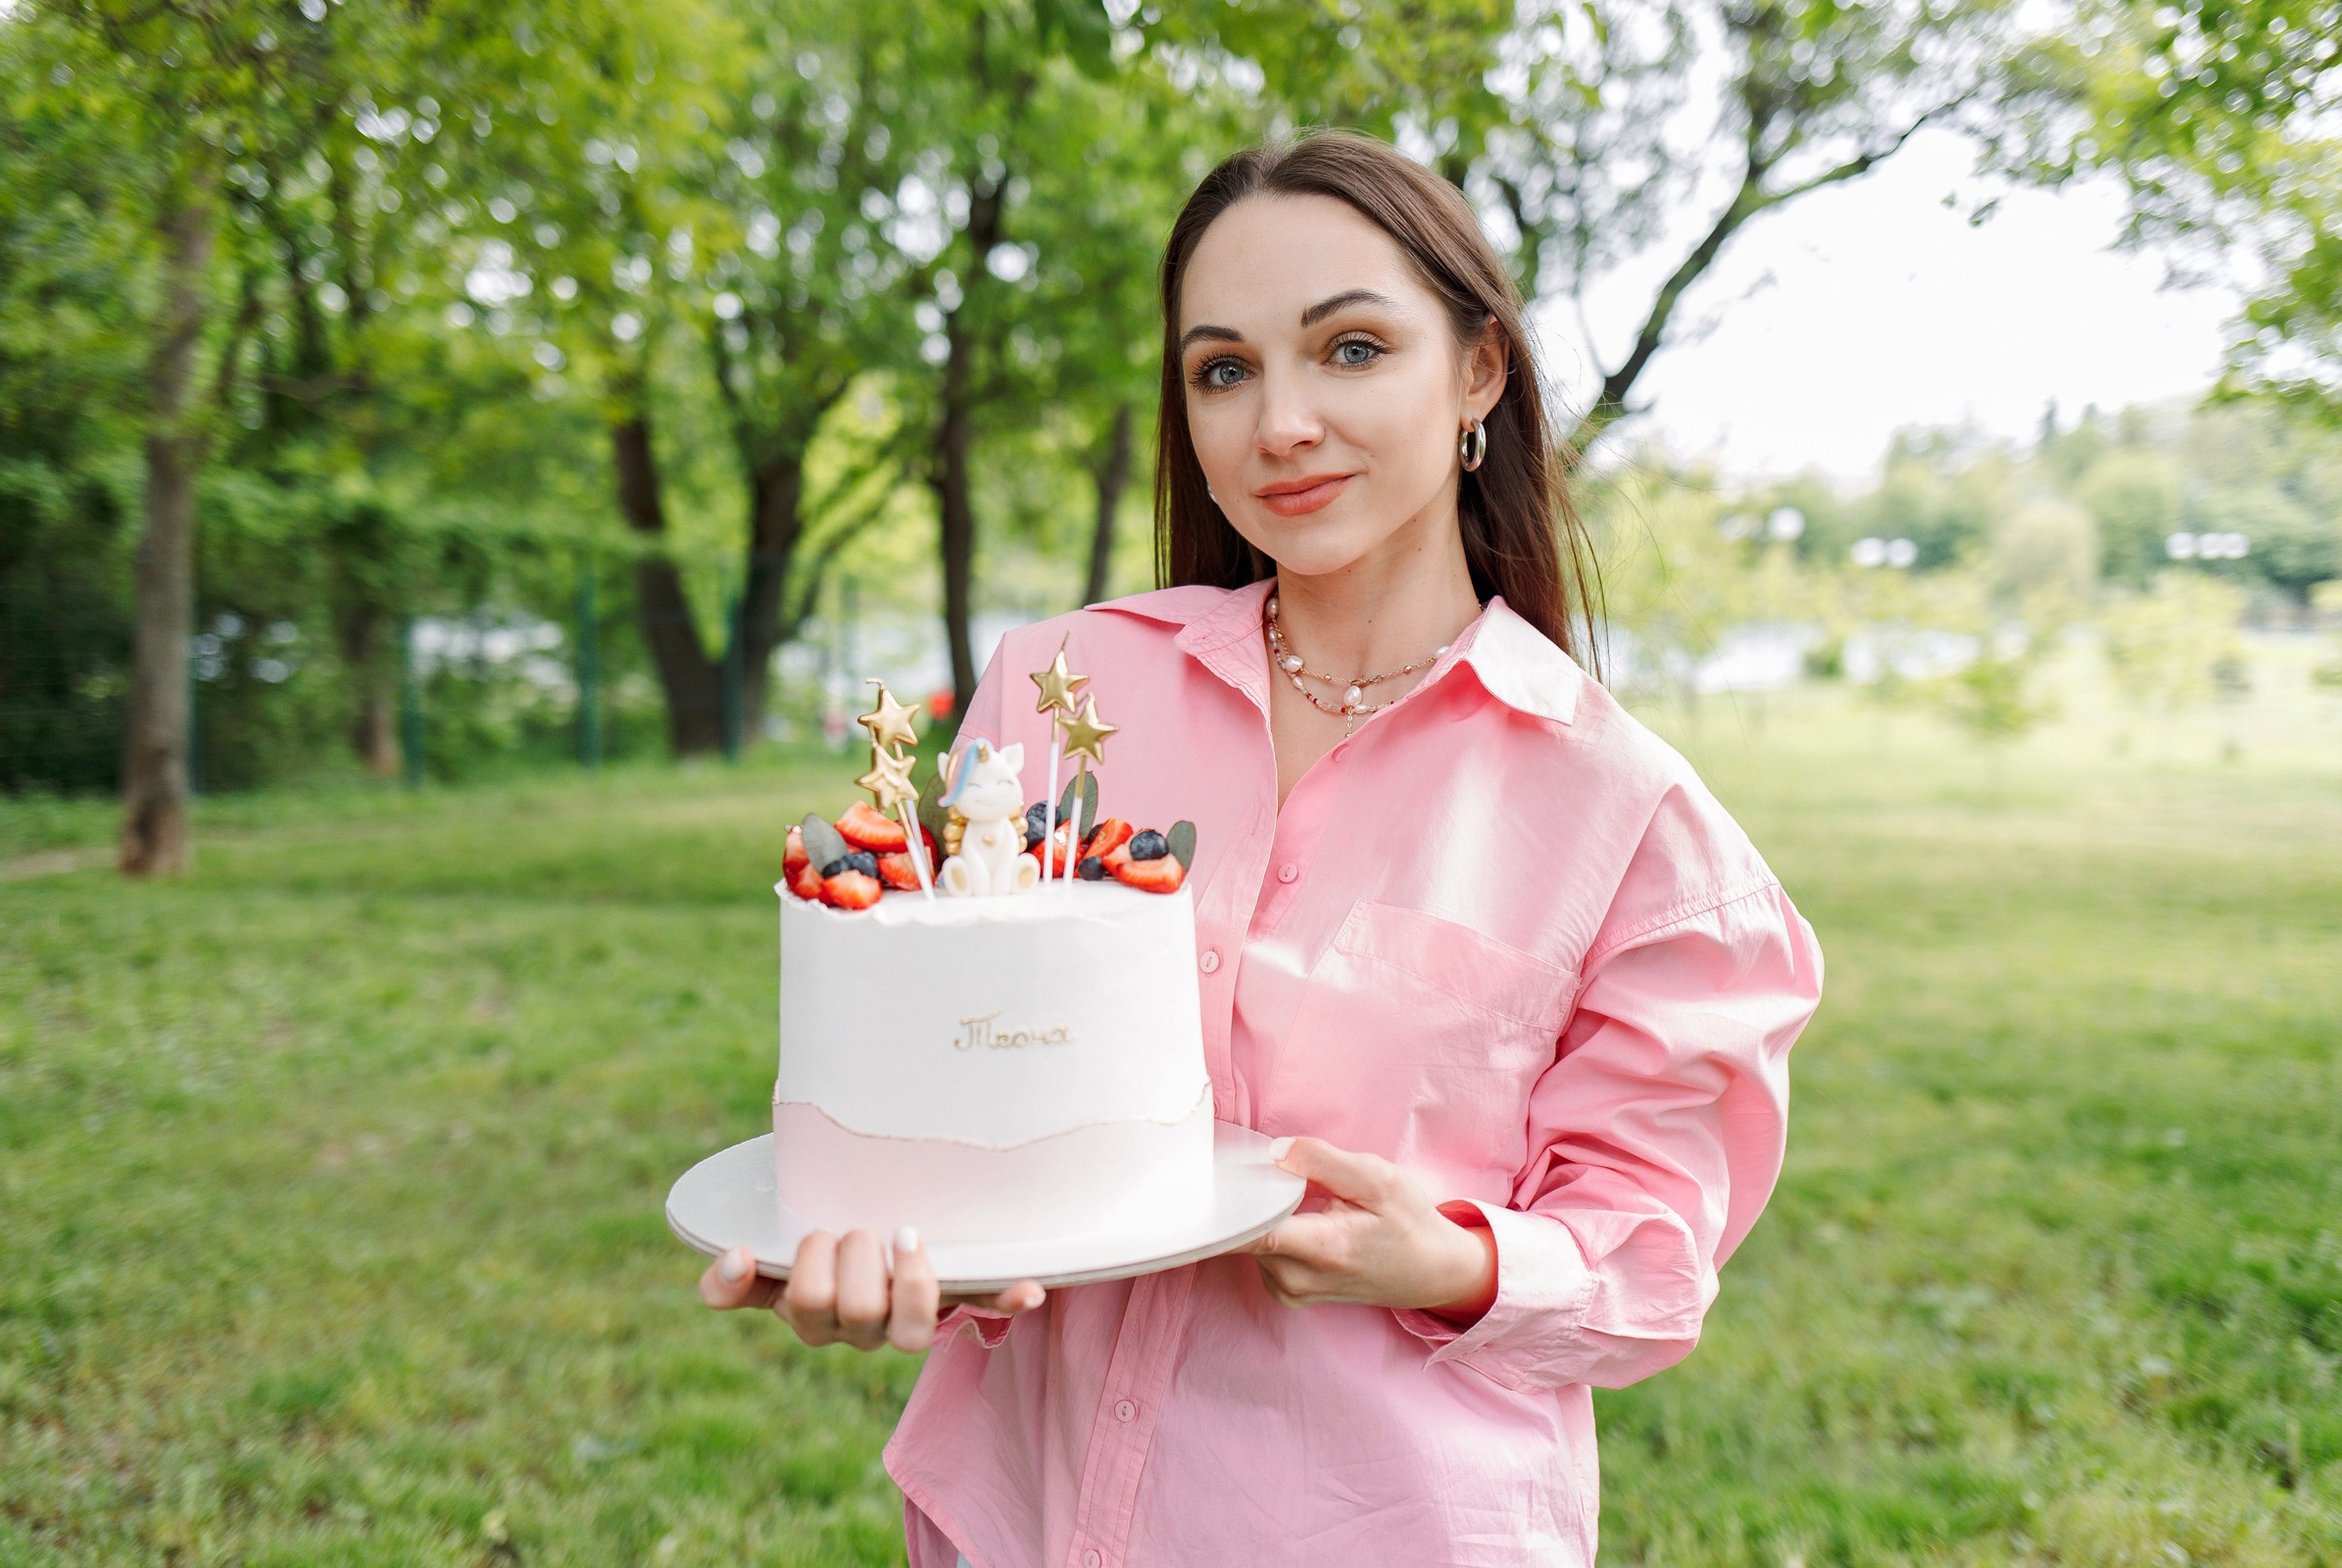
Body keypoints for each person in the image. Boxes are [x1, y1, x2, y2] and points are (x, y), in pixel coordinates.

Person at [701, 128, 1824, 1567]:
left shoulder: (1628, 817)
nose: (1278, 422)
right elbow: (970, 1070)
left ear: (1479, 371)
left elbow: (1647, 1258)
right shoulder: (1064, 693)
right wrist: (898, 1251)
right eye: (1223, 370)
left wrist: (1462, 1261)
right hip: (1015, 1513)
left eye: (1350, 349)